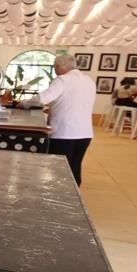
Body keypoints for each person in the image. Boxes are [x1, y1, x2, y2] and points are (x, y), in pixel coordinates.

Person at [21, 54, 96, 185]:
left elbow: (41, 99)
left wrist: (25, 103)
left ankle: (60, 201)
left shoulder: (62, 80)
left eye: (55, 67)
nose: (55, 71)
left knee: (58, 171)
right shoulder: (89, 80)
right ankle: (74, 200)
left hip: (64, 133)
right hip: (85, 133)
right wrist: (53, 109)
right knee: (74, 168)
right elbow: (74, 103)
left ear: (60, 66)